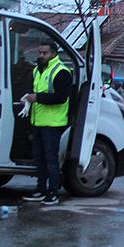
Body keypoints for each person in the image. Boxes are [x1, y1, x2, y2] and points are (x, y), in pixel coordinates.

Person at [21, 43, 73, 205]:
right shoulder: (38, 70)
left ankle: (53, 191)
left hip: (53, 122)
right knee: (39, 158)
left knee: (51, 159)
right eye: (40, 52)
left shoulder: (61, 71)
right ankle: (40, 189)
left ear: (53, 53)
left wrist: (37, 98)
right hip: (38, 121)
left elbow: (61, 97)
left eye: (45, 53)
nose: (41, 55)